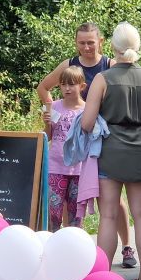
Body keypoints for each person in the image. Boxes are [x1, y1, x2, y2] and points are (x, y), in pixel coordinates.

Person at [38, 23, 136, 267]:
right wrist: (53, 111)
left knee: (113, 199)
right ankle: (64, 250)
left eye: (91, 42)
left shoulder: (110, 65)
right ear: (76, 43)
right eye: (81, 42)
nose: (86, 47)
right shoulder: (69, 64)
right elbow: (43, 87)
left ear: (100, 41)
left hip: (103, 140)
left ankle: (126, 246)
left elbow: (127, 93)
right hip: (73, 148)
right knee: (63, 203)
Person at [80, 22, 141, 280]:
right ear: (138, 47)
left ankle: (102, 276)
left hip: (111, 152)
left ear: (112, 48)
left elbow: (87, 123)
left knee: (108, 217)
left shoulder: (103, 79)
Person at [44, 66, 86, 231]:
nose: (67, 88)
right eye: (63, 84)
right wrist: (47, 124)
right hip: (55, 167)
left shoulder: (88, 108)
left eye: (72, 84)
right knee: (53, 211)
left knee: (76, 213)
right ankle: (52, 241)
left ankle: (75, 245)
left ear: (81, 86)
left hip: (79, 169)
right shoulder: (52, 106)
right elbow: (47, 136)